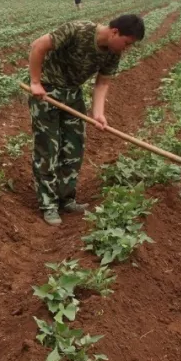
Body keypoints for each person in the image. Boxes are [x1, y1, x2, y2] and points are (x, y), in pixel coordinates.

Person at [27, 14, 145, 226]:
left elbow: (102, 84)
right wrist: (35, 81)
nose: (126, 48)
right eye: (127, 43)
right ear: (114, 32)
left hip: (73, 94)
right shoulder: (77, 30)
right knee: (48, 148)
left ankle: (66, 199)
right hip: (47, 91)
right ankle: (48, 204)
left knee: (74, 147)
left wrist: (98, 113)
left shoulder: (112, 52)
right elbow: (38, 46)